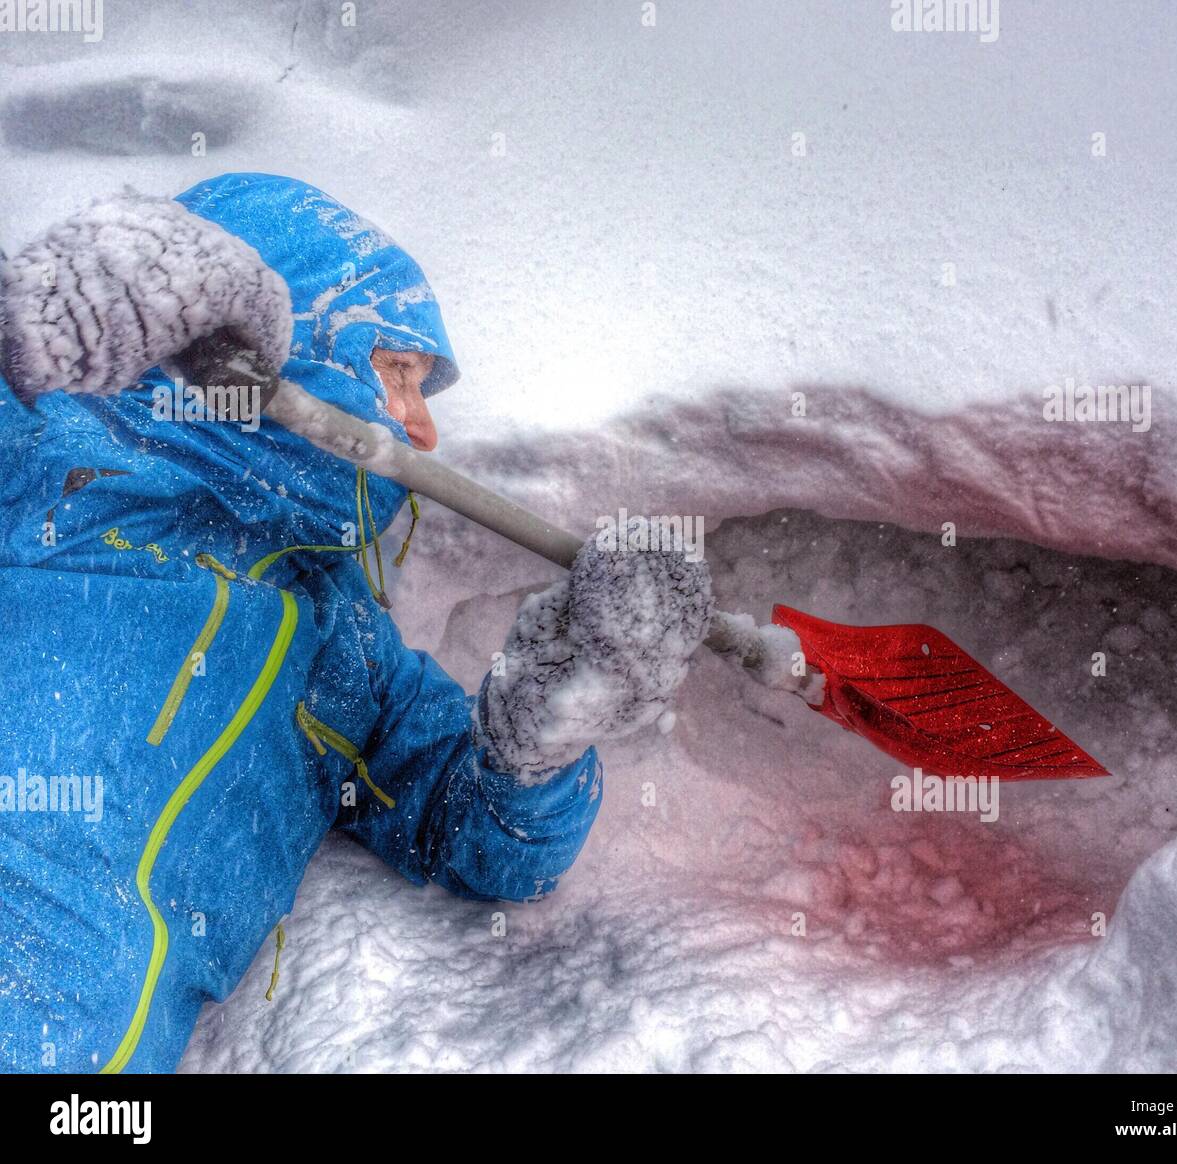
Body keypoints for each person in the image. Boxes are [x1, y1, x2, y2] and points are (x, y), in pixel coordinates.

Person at [0, 173, 711, 1073]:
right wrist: (30, 314)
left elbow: (485, 845)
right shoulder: (42, 447)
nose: (422, 433)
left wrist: (544, 735)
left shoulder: (344, 646)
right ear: (290, 342)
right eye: (399, 378)